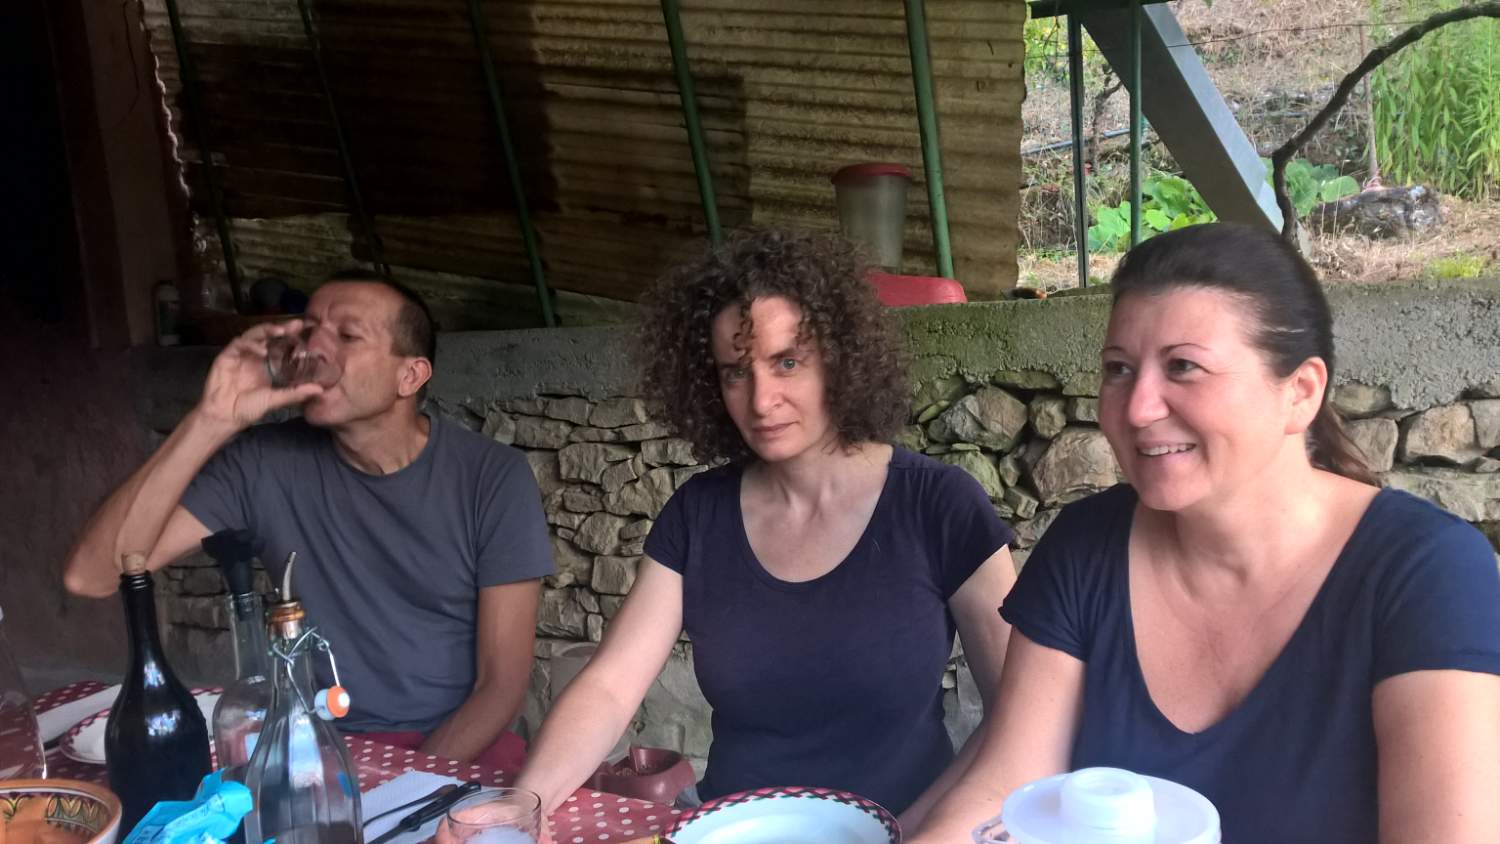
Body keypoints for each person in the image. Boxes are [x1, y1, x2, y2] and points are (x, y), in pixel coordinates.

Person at [908, 223, 1500, 843]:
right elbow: (1009, 786)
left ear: (1300, 393)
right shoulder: (1087, 545)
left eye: (1184, 366)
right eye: (1118, 368)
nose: (1138, 408)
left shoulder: (1425, 572)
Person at [515, 228, 1019, 827]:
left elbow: (1019, 716)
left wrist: (907, 834)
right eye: (735, 372)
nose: (760, 400)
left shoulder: (940, 505)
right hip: (734, 829)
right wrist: (524, 803)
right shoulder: (698, 514)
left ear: (841, 359)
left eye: (787, 362)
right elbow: (611, 685)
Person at [63, 271, 554, 768]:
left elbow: (501, 686)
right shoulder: (262, 463)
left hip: (458, 751)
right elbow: (92, 574)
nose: (314, 348)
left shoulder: (491, 478)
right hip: (314, 748)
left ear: (410, 376)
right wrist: (211, 420)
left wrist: (403, 784)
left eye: (347, 335)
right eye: (310, 330)